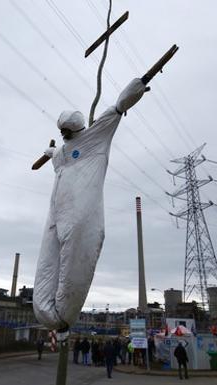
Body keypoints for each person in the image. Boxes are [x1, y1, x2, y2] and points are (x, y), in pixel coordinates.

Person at [33, 79, 148, 334]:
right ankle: (47, 313)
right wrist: (50, 151)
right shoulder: (63, 152)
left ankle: (64, 316)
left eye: (67, 131)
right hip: (56, 212)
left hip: (81, 213)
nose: (65, 135)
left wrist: (138, 87)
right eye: (63, 132)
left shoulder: (95, 137)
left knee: (76, 258)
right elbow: (55, 154)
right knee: (48, 262)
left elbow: (117, 109)